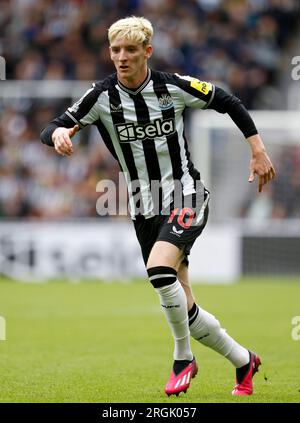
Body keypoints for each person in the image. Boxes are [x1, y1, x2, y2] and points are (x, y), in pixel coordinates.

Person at [40, 16, 276, 397]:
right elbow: (50, 126)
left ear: (147, 52)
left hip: (186, 194)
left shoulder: (172, 87)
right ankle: (243, 361)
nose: (122, 57)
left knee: (158, 269)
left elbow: (228, 101)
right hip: (144, 208)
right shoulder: (101, 97)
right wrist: (60, 134)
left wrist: (258, 149)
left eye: (130, 50)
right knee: (185, 305)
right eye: (115, 50)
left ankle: (183, 358)